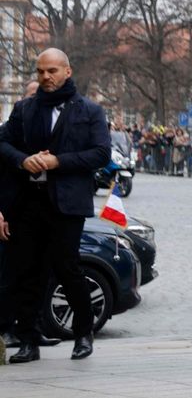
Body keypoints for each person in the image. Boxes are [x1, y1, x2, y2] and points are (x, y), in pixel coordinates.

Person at [0, 49, 111, 362]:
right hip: (28, 202)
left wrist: (57, 161)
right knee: (27, 271)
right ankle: (29, 340)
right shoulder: (24, 109)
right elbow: (3, 144)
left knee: (67, 267)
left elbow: (101, 154)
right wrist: (23, 160)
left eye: (51, 71)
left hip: (67, 204)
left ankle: (83, 333)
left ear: (67, 71)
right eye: (40, 72)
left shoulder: (89, 110)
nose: (45, 77)